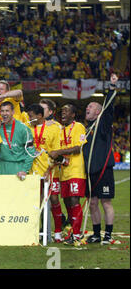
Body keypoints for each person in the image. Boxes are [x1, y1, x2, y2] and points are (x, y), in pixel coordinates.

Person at [83, 74, 118, 245]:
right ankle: (96, 234)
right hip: (89, 172)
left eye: (90, 106)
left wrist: (112, 87)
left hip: (103, 171)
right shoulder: (86, 129)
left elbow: (109, 107)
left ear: (98, 111)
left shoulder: (102, 125)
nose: (87, 108)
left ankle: (108, 234)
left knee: (106, 202)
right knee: (93, 204)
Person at [49, 104, 87, 246]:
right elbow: (60, 151)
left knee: (74, 201)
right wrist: (56, 157)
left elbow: (78, 148)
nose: (63, 112)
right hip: (63, 172)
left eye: (66, 111)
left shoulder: (78, 126)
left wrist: (58, 153)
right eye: (62, 110)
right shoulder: (61, 131)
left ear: (73, 114)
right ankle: (72, 232)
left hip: (76, 170)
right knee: (67, 203)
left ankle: (77, 235)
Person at [27, 103, 64, 242]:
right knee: (37, 201)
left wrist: (49, 169)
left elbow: (56, 152)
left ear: (40, 116)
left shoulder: (53, 129)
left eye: (32, 116)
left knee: (54, 199)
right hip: (33, 171)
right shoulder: (28, 128)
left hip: (50, 170)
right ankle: (38, 230)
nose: (30, 118)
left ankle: (58, 231)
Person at [0, 101, 35, 179]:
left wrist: (25, 170)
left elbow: (31, 151)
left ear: (13, 112)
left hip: (18, 168)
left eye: (7, 111)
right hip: (1, 167)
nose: (4, 113)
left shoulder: (23, 128)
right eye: (2, 111)